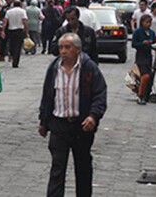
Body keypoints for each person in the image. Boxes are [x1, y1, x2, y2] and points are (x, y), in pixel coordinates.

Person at [38, 33, 107, 197]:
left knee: (83, 167)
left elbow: (99, 94)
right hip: (59, 124)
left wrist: (93, 116)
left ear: (77, 49)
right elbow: (47, 95)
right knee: (57, 167)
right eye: (61, 47)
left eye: (68, 47)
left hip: (81, 125)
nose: (63, 51)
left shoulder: (89, 68)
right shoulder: (54, 68)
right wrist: (43, 121)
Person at [132, 15, 155, 105]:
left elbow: (153, 42)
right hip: (141, 56)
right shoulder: (138, 32)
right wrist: (142, 43)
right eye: (146, 22)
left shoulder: (151, 32)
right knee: (145, 76)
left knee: (148, 76)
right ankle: (140, 95)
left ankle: (145, 94)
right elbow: (134, 44)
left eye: (150, 22)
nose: (148, 24)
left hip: (148, 56)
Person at [3, 0, 28, 68]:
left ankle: (12, 55)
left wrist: (3, 31)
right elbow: (25, 21)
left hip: (11, 30)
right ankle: (15, 61)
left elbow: (5, 21)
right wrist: (26, 31)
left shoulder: (9, 11)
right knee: (18, 46)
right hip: (19, 30)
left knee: (12, 45)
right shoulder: (23, 11)